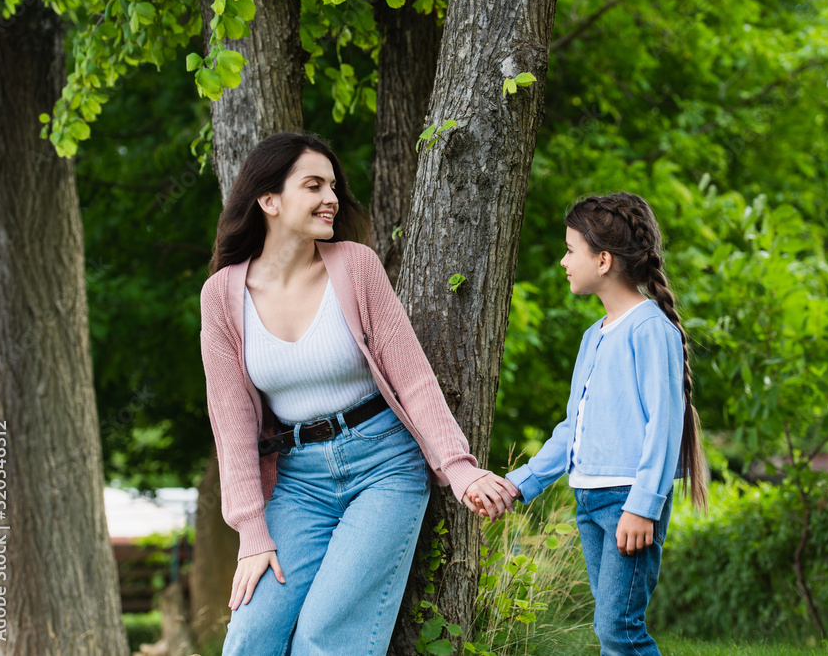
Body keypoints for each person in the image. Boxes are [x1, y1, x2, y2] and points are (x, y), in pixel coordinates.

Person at [198, 131, 517, 656]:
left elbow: (412, 377)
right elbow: (231, 425)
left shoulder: (355, 266)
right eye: (314, 185)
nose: (332, 198)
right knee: (250, 638)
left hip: (384, 468)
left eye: (334, 186)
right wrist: (251, 533)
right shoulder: (223, 296)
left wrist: (458, 467)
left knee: (326, 635)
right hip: (298, 482)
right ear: (269, 200)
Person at [495, 192, 709, 655]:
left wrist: (643, 504)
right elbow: (573, 428)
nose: (563, 261)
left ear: (604, 259)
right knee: (609, 627)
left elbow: (665, 426)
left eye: (571, 250)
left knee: (619, 629)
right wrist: (520, 483)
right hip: (588, 498)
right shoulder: (594, 336)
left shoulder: (650, 329)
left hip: (626, 500)